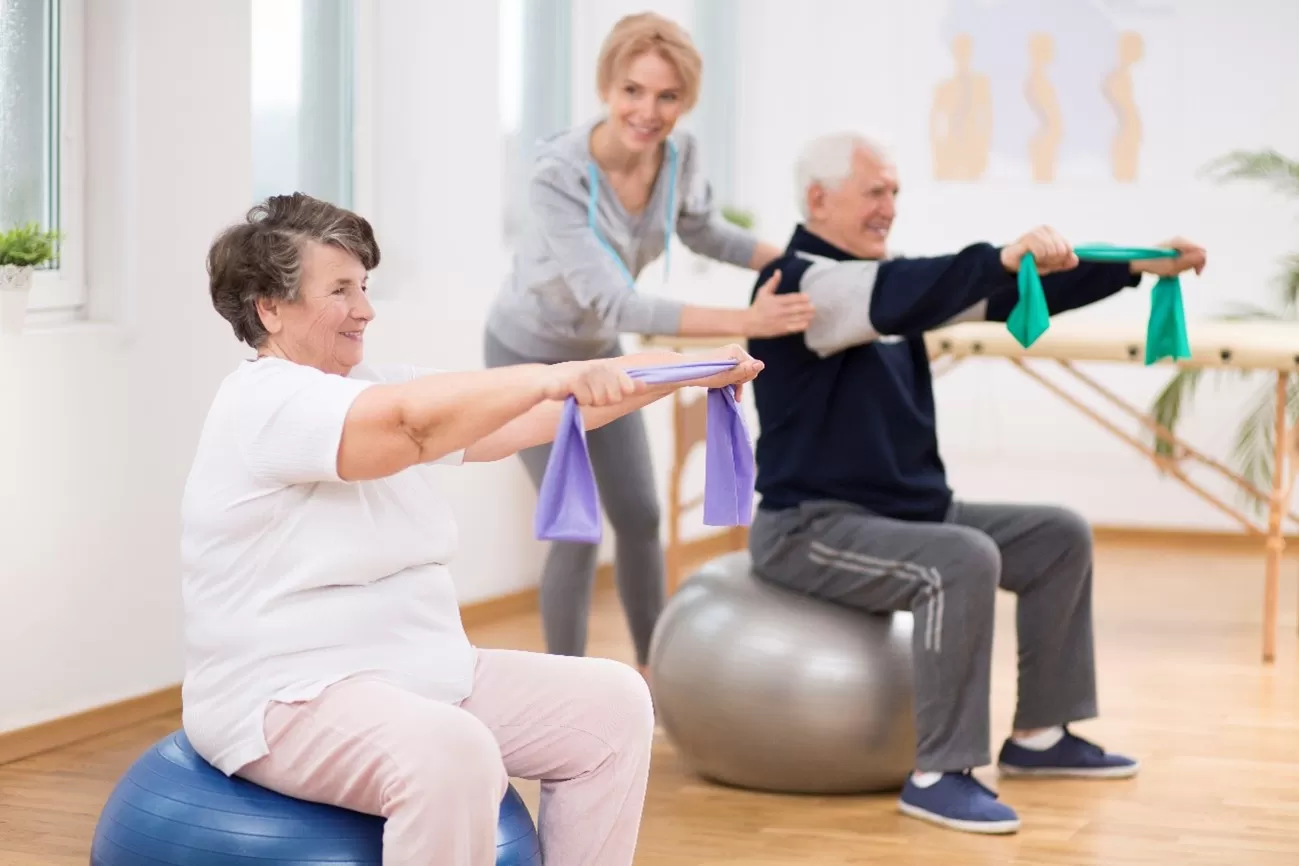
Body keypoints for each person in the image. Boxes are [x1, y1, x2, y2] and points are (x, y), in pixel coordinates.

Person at [182, 192, 764, 865]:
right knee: (453, 751)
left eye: (364, 287)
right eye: (340, 290)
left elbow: (532, 416)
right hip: (286, 694)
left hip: (416, 671)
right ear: (270, 307)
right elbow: (412, 424)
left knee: (614, 702)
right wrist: (556, 377)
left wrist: (687, 372)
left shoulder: (369, 387)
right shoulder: (267, 402)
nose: (365, 309)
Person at [743, 132, 1207, 835]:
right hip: (810, 526)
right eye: (876, 191)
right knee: (960, 557)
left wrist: (1134, 266)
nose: (889, 207)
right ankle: (938, 773)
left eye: (894, 192)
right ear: (818, 199)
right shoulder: (799, 283)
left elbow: (998, 293)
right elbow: (911, 288)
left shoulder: (884, 286)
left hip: (909, 512)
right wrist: (995, 255)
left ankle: (1041, 736)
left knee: (1056, 535)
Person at [483, 11, 813, 679]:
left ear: (683, 100)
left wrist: (805, 264)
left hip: (600, 351)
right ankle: (565, 692)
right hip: (527, 357)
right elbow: (619, 300)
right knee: (577, 528)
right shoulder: (558, 176)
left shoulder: (678, 155)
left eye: (666, 96)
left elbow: (704, 230)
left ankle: (661, 680)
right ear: (607, 86)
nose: (647, 111)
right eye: (632, 90)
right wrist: (755, 320)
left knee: (639, 514)